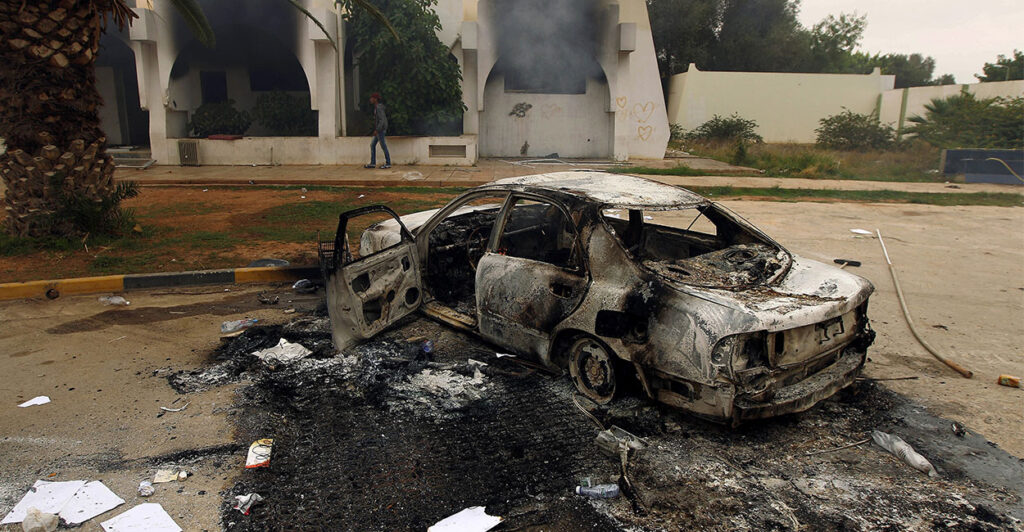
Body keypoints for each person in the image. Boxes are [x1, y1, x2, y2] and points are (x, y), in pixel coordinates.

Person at [365, 93, 391, 169]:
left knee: (383, 146)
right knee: (372, 145)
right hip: (380, 130)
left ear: (375, 99)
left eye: (372, 98)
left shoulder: (379, 108)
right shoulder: (377, 107)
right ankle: (373, 163)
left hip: (380, 130)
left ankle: (388, 163)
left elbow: (382, 120)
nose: (370, 99)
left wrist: (377, 130)